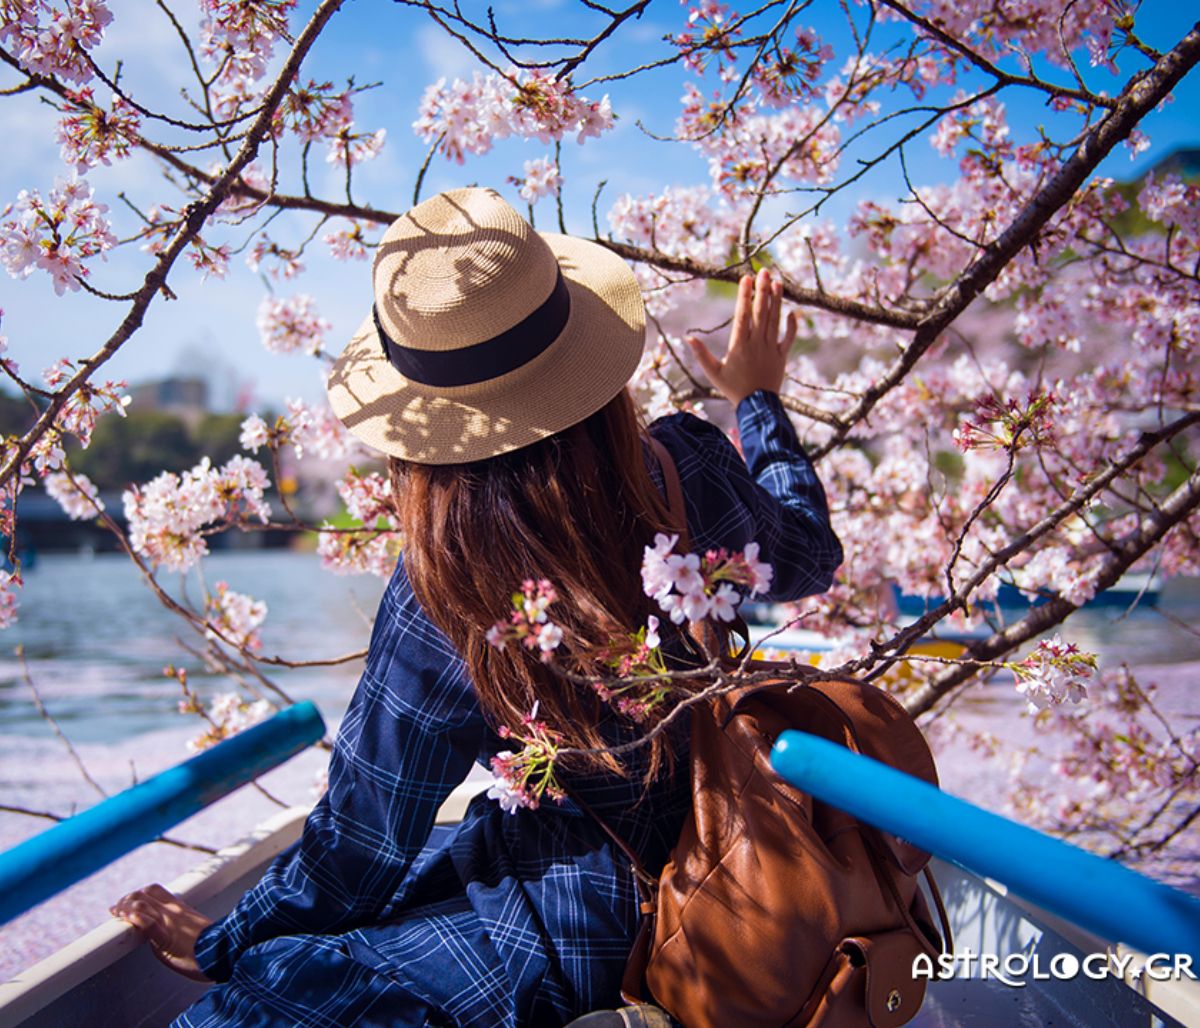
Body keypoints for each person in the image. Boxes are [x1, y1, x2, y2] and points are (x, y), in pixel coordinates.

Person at [111, 187, 844, 1027]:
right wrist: (759, 400)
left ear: (422, 430)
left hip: (569, 925)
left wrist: (225, 943)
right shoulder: (687, 468)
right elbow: (811, 554)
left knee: (262, 1000)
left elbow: (363, 845)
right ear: (585, 362)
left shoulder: (451, 583)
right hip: (731, 875)